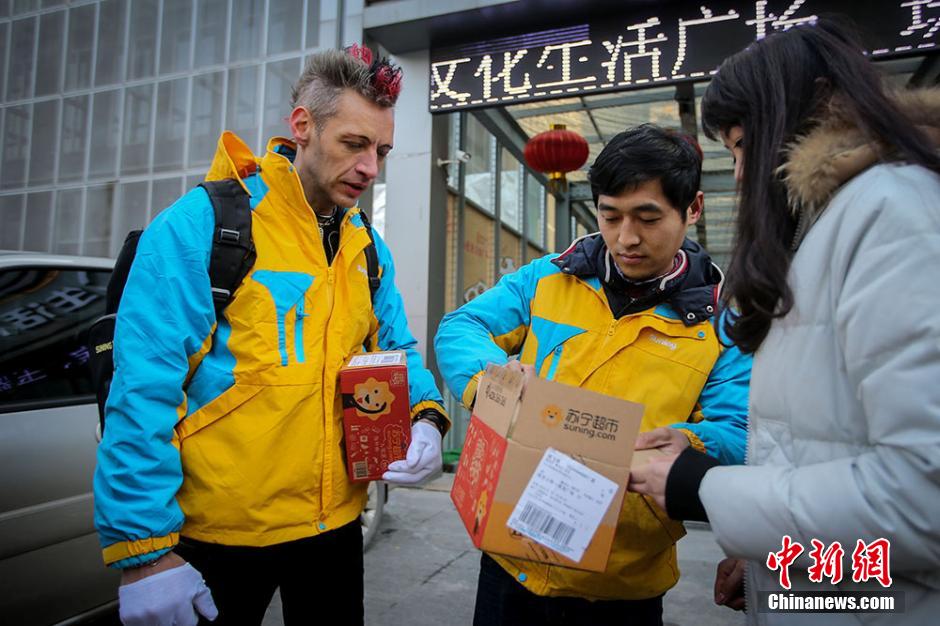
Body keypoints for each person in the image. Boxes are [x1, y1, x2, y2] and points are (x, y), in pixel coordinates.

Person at [94, 45, 449, 626]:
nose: (371, 168)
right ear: (303, 127)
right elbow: (142, 390)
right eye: (354, 145)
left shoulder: (368, 247)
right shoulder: (205, 225)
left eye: (381, 151)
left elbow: (397, 349)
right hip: (217, 537)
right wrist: (145, 556)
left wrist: (427, 417)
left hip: (335, 530)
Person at [627, 18, 940, 624]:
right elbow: (818, 447)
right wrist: (773, 558)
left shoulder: (893, 216)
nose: (740, 175)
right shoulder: (826, 231)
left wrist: (703, 488)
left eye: (743, 145)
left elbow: (923, 496)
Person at [434, 124, 752, 626]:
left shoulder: (721, 323)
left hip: (622, 582)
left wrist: (679, 443)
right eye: (611, 215)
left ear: (692, 209)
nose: (626, 238)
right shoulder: (548, 279)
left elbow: (737, 433)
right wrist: (491, 385)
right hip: (511, 557)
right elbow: (461, 326)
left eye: (648, 218)